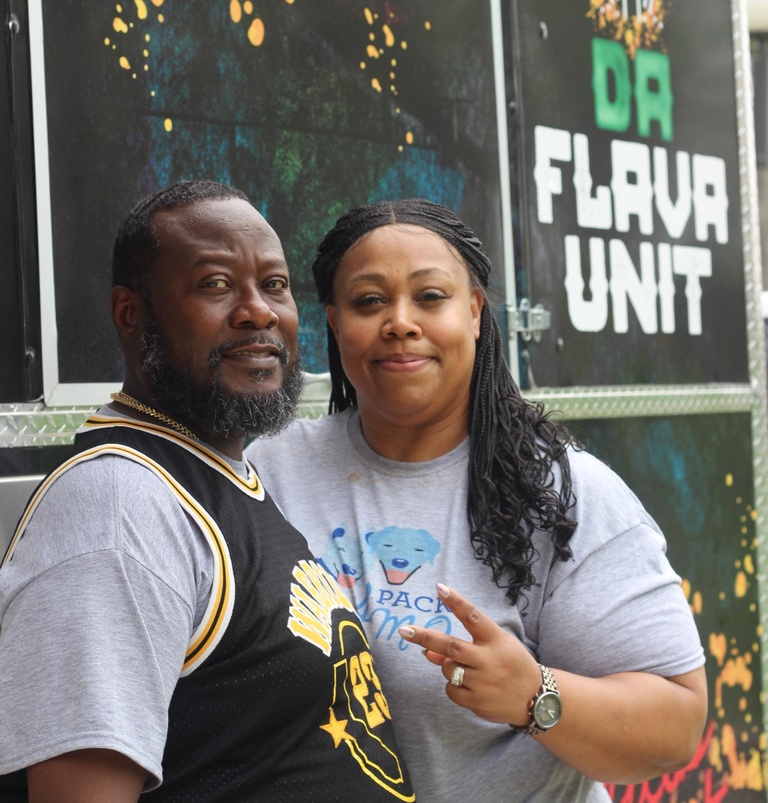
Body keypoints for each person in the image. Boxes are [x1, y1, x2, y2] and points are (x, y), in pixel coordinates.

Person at [246, 198, 708, 802]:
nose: (400, 322)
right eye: (369, 301)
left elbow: (675, 727)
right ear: (333, 323)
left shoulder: (562, 494)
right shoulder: (266, 472)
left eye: (430, 297)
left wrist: (534, 695)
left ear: (474, 310)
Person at [0, 181, 415, 803]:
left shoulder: (218, 473)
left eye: (274, 285)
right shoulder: (120, 506)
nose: (259, 312)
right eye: (216, 284)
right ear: (129, 314)